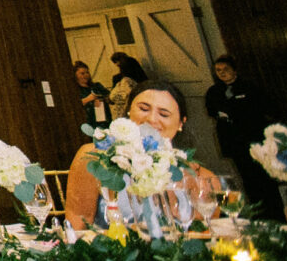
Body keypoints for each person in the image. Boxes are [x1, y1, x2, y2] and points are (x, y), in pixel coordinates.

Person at [65, 79, 220, 230]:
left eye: (164, 114)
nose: (151, 119)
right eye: (144, 109)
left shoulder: (199, 176)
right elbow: (76, 230)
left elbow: (207, 235)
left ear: (181, 123)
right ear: (129, 112)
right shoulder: (94, 157)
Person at [206, 54, 283, 221]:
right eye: (218, 70)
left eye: (226, 69)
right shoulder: (214, 91)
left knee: (265, 177)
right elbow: (212, 110)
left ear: (234, 69)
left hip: (254, 140)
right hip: (235, 143)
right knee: (248, 179)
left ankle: (276, 214)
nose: (222, 73)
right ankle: (260, 214)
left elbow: (265, 108)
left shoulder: (249, 87)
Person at [107, 51, 147, 120]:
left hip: (135, 82)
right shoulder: (130, 62)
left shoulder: (127, 65)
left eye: (116, 63)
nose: (117, 65)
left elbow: (112, 97)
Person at [74, 60, 111, 131]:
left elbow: (110, 98)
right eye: (82, 73)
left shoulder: (97, 86)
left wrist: (101, 99)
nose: (85, 75)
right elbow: (75, 105)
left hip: (104, 121)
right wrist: (89, 99)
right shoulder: (75, 90)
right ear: (76, 75)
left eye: (87, 72)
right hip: (89, 123)